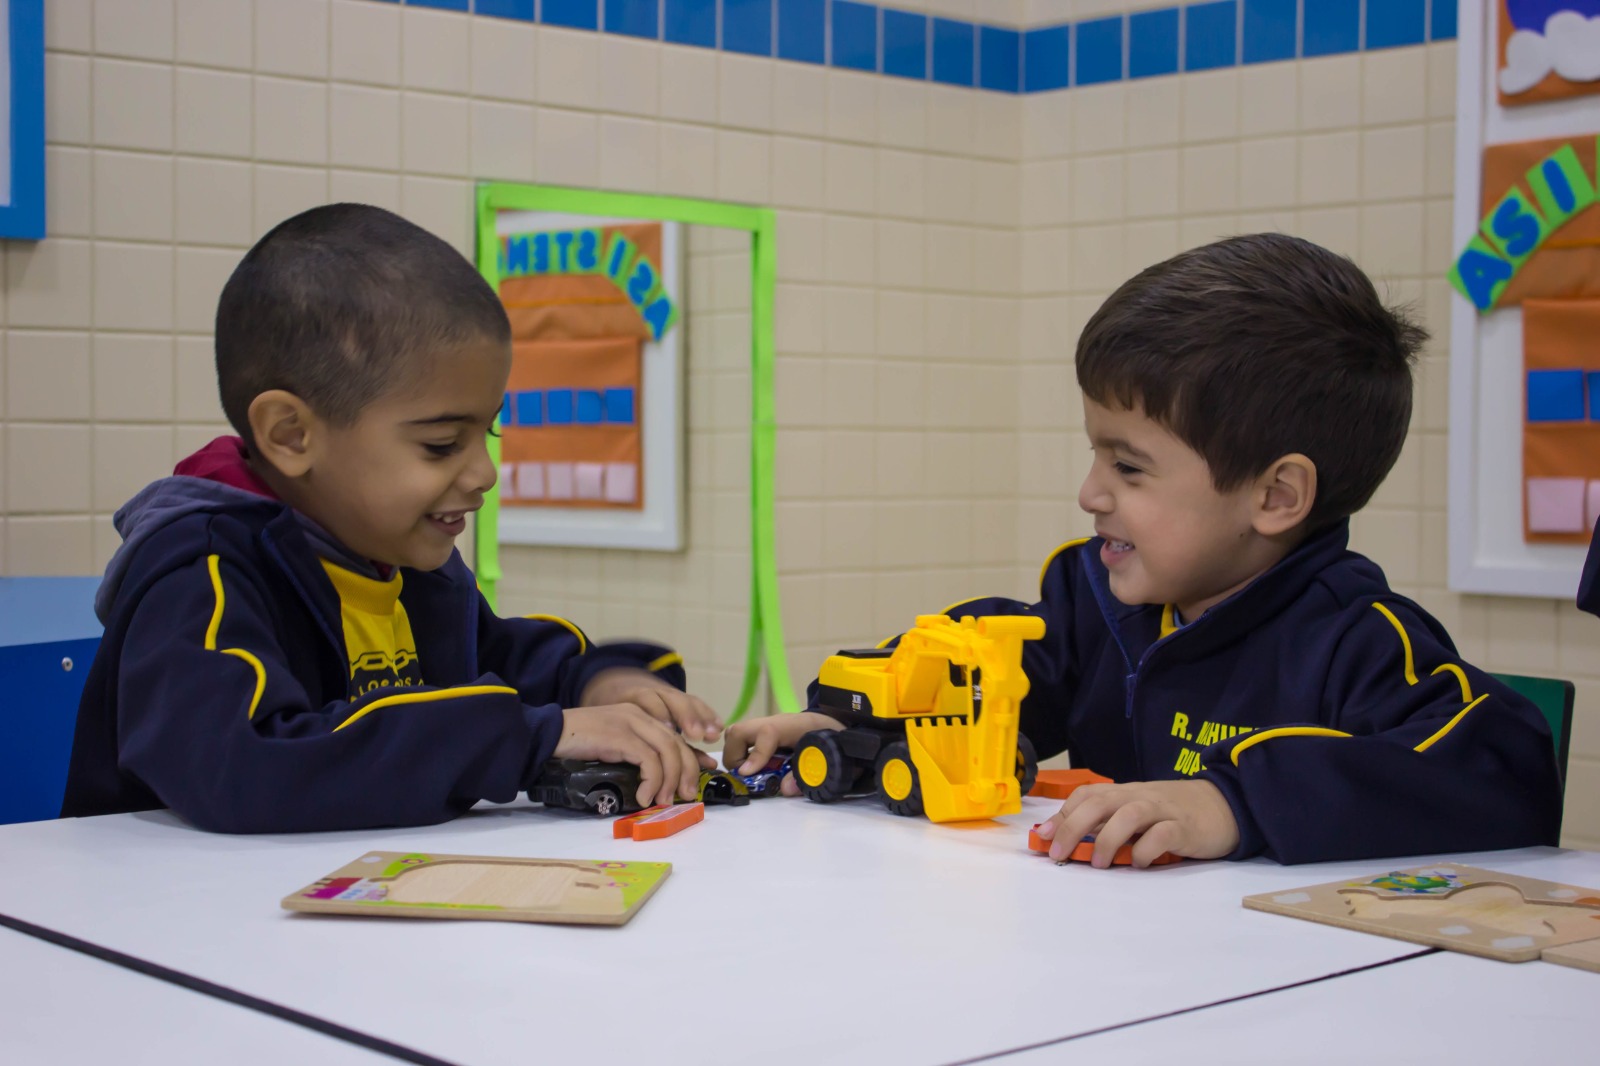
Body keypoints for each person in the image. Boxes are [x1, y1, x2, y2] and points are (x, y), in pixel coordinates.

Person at [725, 234, 1563, 867]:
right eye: (1095, 453)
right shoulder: (1092, 596)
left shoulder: (1357, 639)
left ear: (1275, 497)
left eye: (1127, 466)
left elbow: (1508, 774)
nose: (1091, 493)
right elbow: (995, 690)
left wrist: (1231, 804)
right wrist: (859, 727)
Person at [63, 204, 720, 832]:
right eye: (440, 444)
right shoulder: (198, 569)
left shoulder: (399, 554)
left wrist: (599, 680)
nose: (484, 473)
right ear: (291, 434)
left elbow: (501, 657)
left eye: (486, 434)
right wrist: (532, 736)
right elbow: (247, 762)